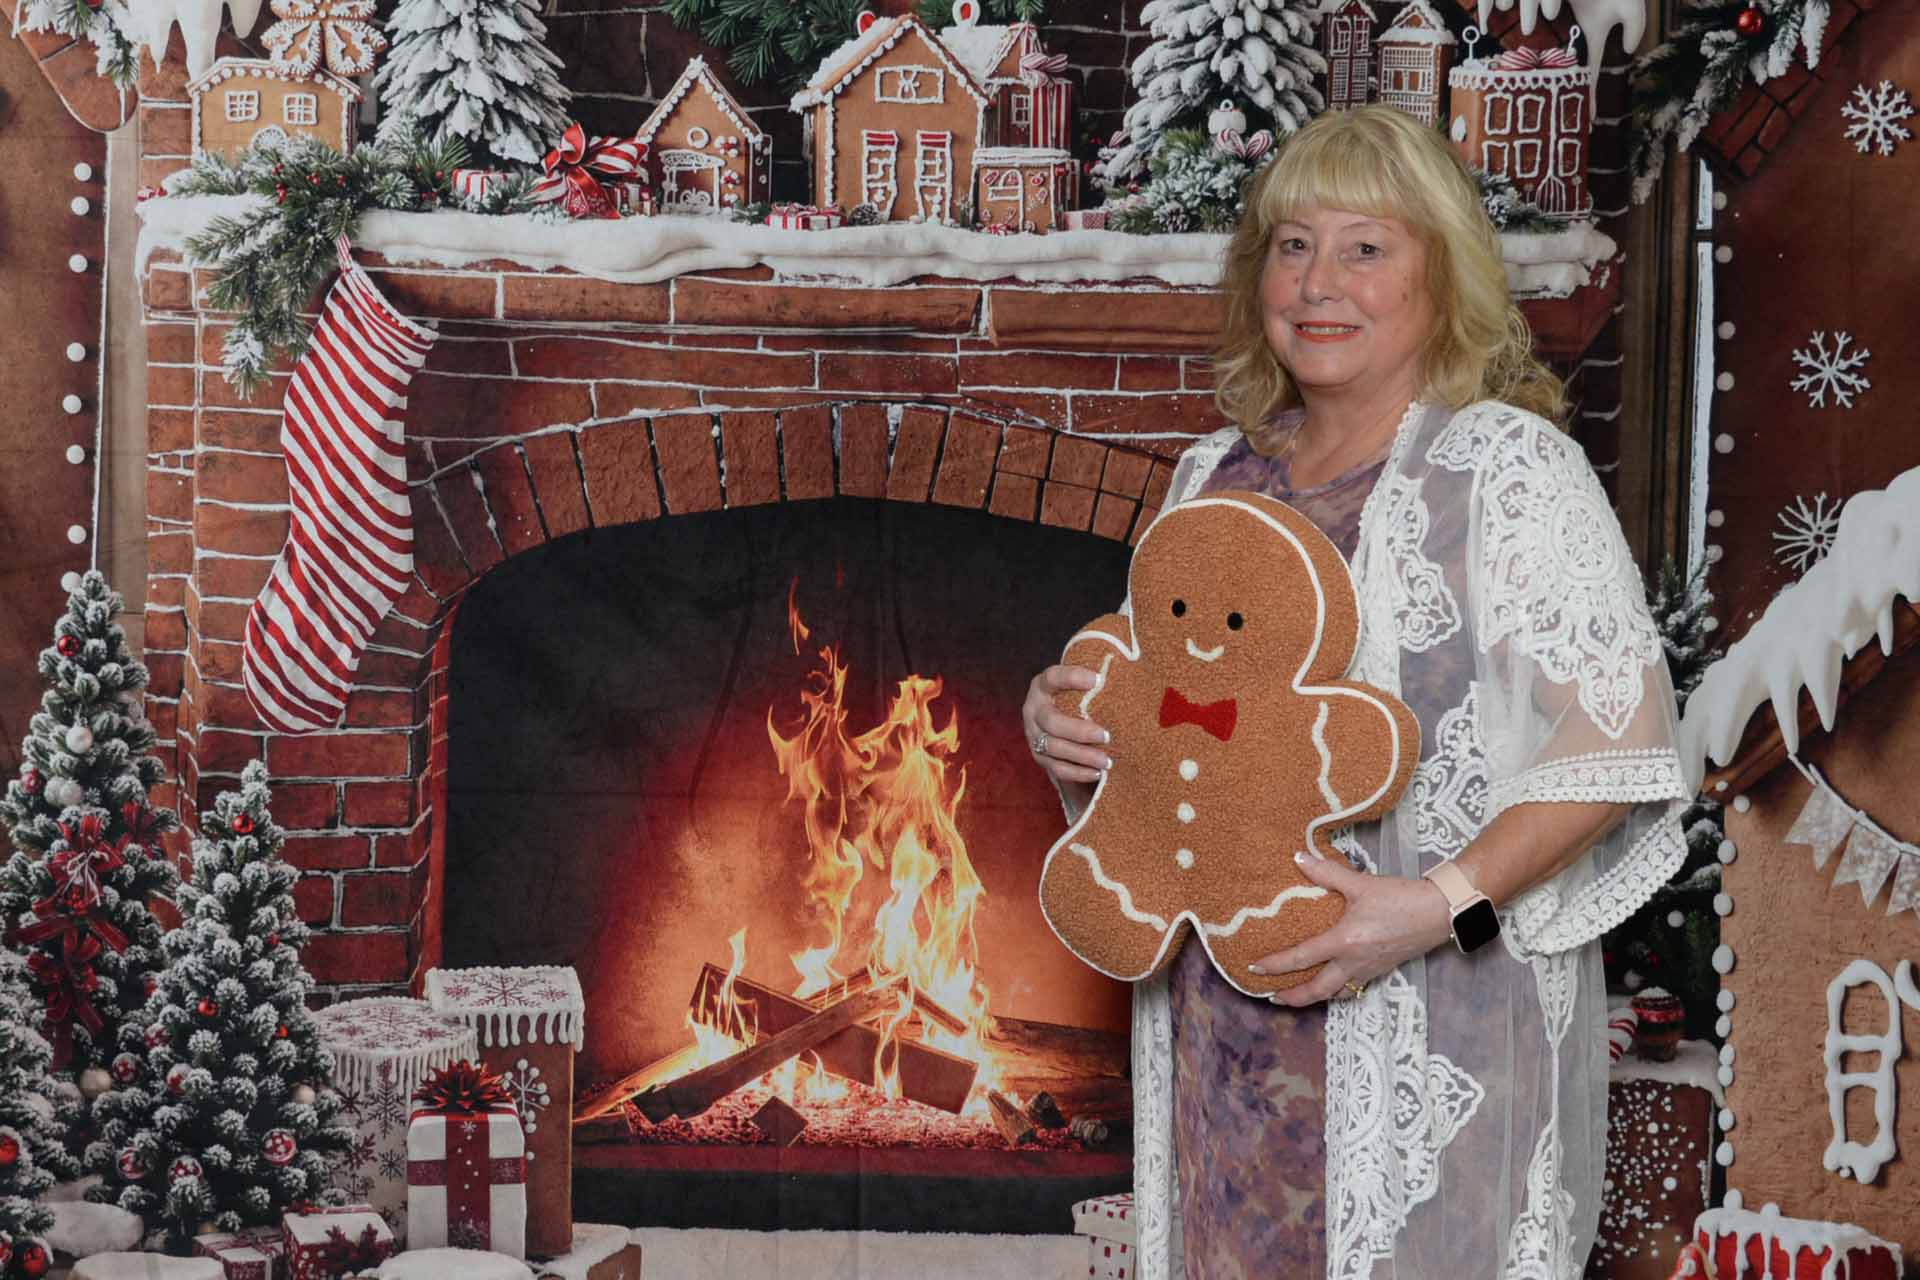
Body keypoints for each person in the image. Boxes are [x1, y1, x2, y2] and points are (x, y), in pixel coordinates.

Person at [1021, 105, 1690, 1280]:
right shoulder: (1211, 476)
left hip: (1431, 1043)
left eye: (1365, 247)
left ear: (1442, 273)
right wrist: (1067, 721)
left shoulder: (1505, 470)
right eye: (1293, 245)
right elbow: (1177, 728)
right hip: (1227, 1056)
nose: (1318, 282)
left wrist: (1438, 905)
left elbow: (1620, 741)